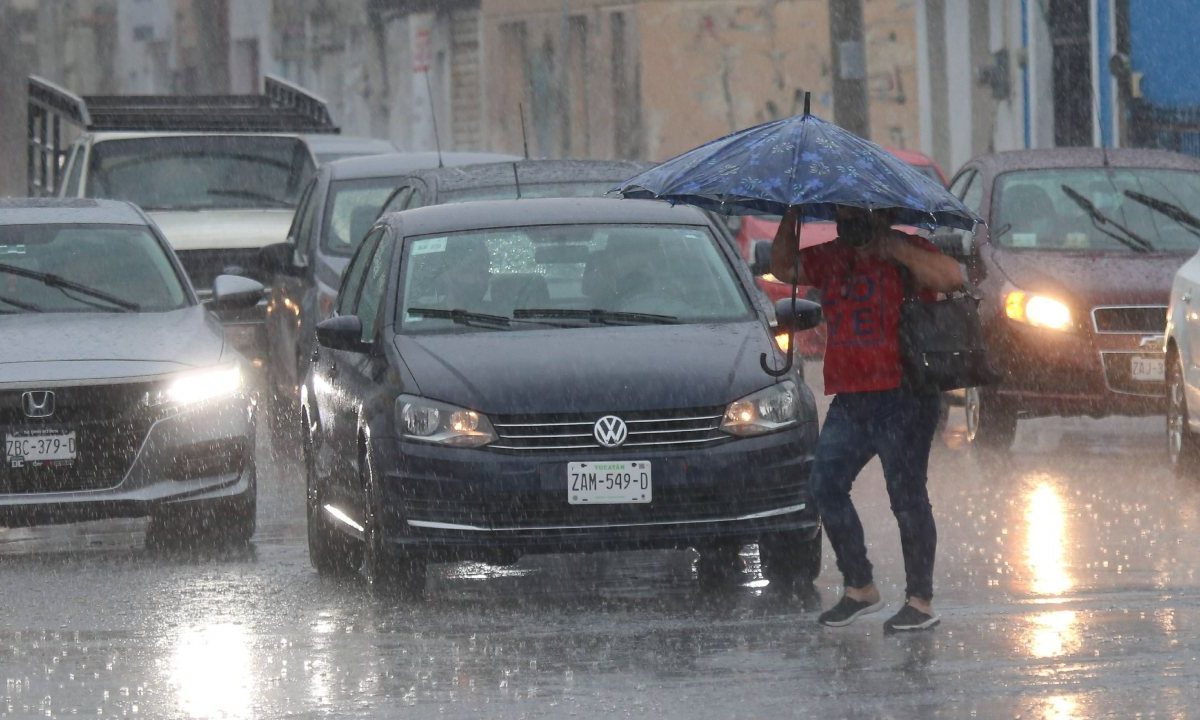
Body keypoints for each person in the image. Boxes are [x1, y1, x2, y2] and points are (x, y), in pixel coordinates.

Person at [769, 204, 964, 633]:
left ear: (879, 213)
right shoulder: (833, 255)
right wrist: (792, 214)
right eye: (840, 212)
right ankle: (859, 587)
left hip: (905, 394)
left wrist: (894, 248)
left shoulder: (906, 249)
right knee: (824, 485)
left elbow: (953, 278)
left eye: (856, 211)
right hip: (852, 397)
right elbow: (783, 267)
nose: (847, 220)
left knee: (907, 495)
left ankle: (920, 600)